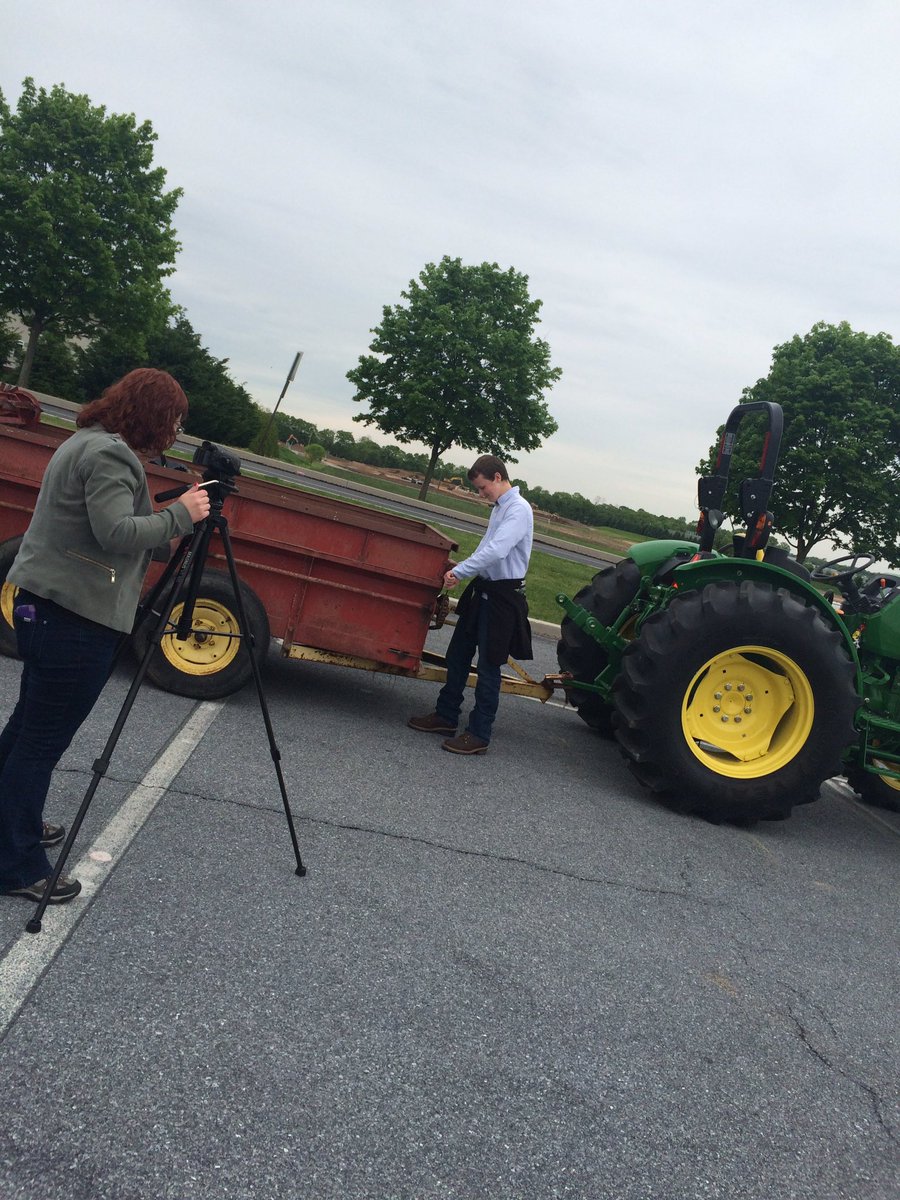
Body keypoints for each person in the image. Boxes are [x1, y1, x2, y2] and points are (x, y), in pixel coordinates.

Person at [0, 368, 210, 905]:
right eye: (174, 421)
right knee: (41, 742)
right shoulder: (112, 455)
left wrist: (167, 520)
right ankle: (17, 863)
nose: (176, 432)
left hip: (44, 604)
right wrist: (180, 517)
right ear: (153, 416)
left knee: (27, 729)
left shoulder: (86, 441)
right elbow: (115, 533)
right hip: (74, 616)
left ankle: (9, 827)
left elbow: (115, 528)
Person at [408, 454, 533, 755]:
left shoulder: (518, 510)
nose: (481, 494)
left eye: (482, 488)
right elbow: (486, 546)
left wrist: (460, 571)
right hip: (484, 591)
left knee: (489, 668)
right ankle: (446, 716)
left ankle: (479, 734)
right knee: (458, 656)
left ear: (498, 478)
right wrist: (462, 567)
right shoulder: (500, 508)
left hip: (502, 598)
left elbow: (498, 551)